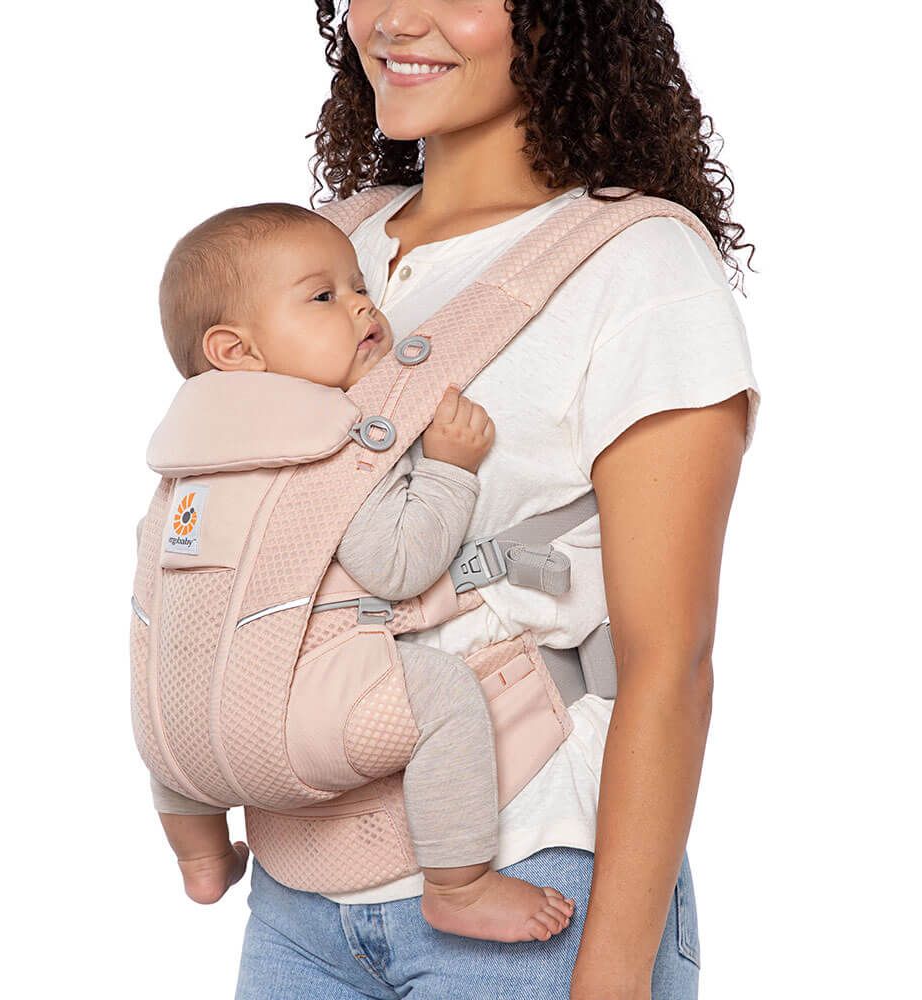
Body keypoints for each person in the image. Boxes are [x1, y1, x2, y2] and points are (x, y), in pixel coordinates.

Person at [233, 3, 762, 997]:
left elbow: (669, 661)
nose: (399, 20)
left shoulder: (636, 268)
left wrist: (611, 979)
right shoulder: (324, 248)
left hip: (535, 880)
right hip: (300, 892)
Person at [148, 202, 578, 943]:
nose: (361, 306)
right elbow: (399, 565)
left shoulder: (184, 457)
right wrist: (446, 470)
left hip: (178, 738)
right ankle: (461, 885)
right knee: (447, 696)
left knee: (172, 689)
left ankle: (203, 857)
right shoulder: (326, 438)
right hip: (301, 721)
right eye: (324, 296)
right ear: (235, 350)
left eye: (359, 287)